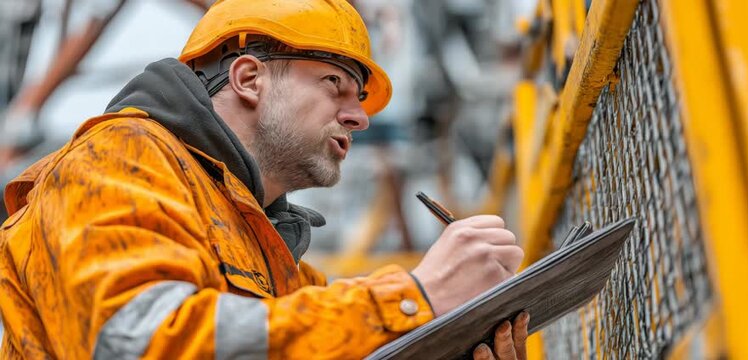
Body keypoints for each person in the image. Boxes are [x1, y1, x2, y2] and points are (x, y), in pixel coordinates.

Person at [0, 0, 527, 359]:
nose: (359, 117)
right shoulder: (118, 157)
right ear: (249, 78)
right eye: (334, 84)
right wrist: (415, 297)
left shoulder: (277, 263)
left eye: (359, 99)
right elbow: (142, 345)